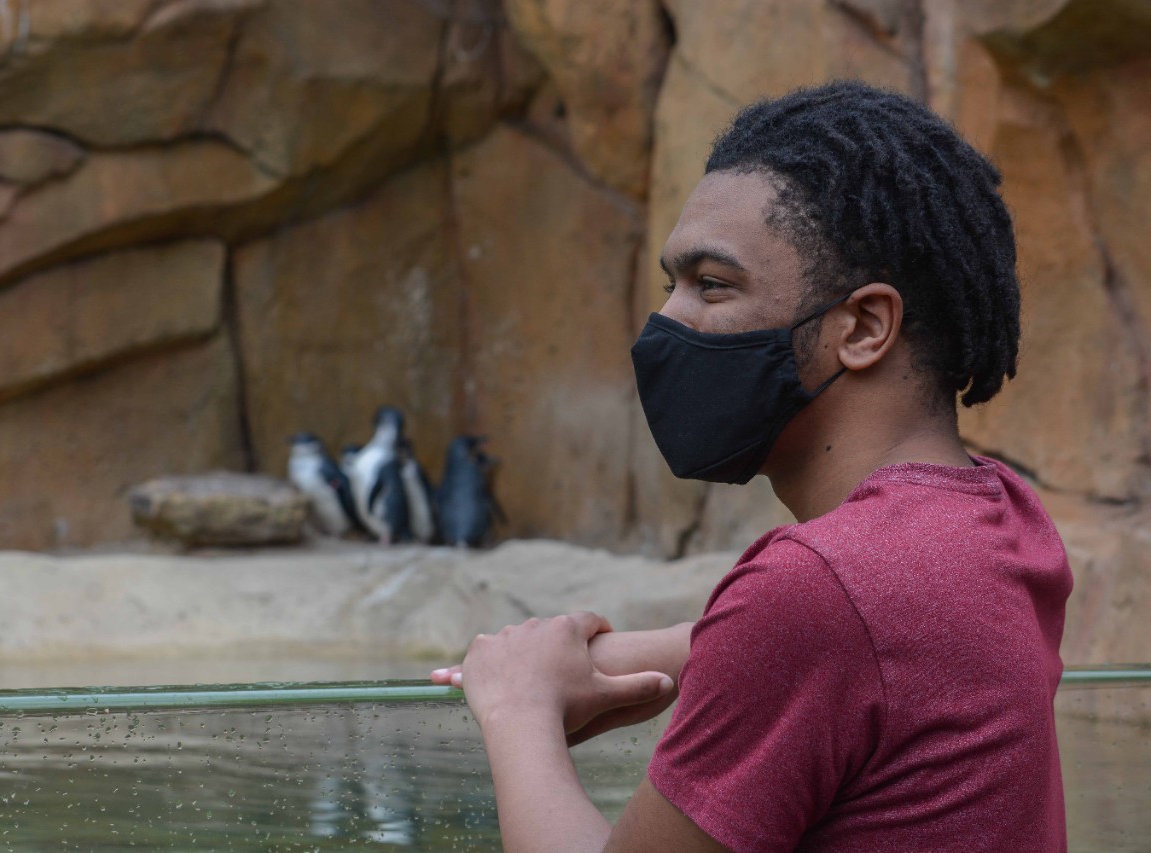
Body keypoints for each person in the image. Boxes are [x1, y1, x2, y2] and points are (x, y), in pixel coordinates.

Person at [431, 80, 1072, 852]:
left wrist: (519, 708)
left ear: (864, 327)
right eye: (671, 284)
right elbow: (889, 647)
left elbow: (833, 621)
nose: (667, 321)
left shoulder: (820, 585)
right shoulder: (1005, 518)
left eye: (713, 284)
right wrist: (667, 649)